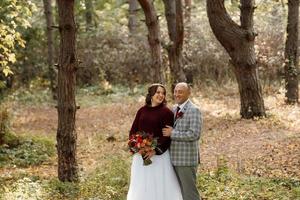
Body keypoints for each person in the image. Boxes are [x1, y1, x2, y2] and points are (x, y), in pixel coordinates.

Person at [127, 83, 183, 200]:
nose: (161, 95)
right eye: (158, 92)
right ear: (151, 94)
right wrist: (136, 146)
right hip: (140, 155)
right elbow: (133, 131)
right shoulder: (142, 111)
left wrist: (154, 151)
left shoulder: (166, 112)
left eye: (163, 93)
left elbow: (166, 136)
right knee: (141, 185)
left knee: (158, 184)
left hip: (158, 157)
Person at [163, 82, 202, 200]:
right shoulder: (175, 108)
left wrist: (172, 133)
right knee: (180, 193)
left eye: (180, 91)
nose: (177, 94)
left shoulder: (194, 110)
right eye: (175, 91)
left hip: (186, 160)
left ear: (188, 93)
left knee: (190, 194)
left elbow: (194, 134)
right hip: (173, 158)